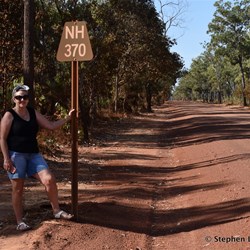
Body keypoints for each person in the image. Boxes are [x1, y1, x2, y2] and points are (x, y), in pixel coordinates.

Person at [0, 84, 74, 231]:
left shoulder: (32, 112)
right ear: (13, 99)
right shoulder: (9, 115)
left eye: (25, 97)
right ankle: (20, 221)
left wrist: (68, 118)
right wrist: (6, 158)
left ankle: (57, 211)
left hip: (34, 155)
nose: (22, 100)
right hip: (16, 155)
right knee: (18, 189)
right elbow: (2, 138)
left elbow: (51, 126)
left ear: (28, 99)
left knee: (49, 179)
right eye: (18, 97)